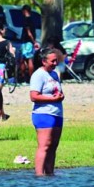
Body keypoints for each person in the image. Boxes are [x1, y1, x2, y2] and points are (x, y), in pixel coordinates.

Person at [30, 46, 64, 176]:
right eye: (52, 61)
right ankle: (39, 175)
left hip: (57, 113)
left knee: (53, 146)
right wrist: (52, 99)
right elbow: (34, 96)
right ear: (44, 61)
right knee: (44, 145)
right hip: (43, 113)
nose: (55, 63)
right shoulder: (38, 75)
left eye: (56, 60)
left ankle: (50, 174)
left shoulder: (55, 74)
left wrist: (61, 96)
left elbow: (58, 91)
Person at [19, 5, 39, 82]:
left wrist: (34, 42)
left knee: (25, 60)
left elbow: (29, 33)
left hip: (26, 42)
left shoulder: (26, 20)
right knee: (28, 59)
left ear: (25, 11)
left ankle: (25, 78)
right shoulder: (32, 20)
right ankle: (29, 78)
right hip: (29, 42)